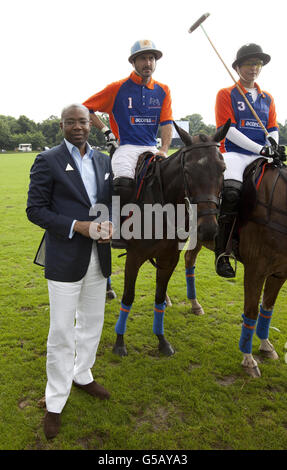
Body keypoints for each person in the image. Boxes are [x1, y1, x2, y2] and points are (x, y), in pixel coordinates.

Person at [26, 104, 113, 440]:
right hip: (64, 256)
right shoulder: (47, 160)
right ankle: (55, 400)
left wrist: (109, 224)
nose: (79, 127)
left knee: (92, 322)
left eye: (83, 121)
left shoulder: (103, 160)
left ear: (91, 124)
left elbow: (108, 204)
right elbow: (35, 210)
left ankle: (83, 374)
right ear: (61, 125)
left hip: (99, 257)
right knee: (62, 330)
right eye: (71, 122)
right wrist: (79, 226)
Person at [83, 39, 174, 246]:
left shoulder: (163, 90)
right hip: (126, 146)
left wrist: (164, 150)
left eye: (151, 58)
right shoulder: (118, 88)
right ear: (133, 62)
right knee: (123, 182)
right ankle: (120, 229)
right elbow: (86, 108)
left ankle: (168, 226)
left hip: (152, 145)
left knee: (173, 179)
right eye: (142, 58)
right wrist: (107, 132)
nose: (148, 63)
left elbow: (167, 122)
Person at [214, 43, 285, 278]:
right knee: (232, 192)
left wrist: (273, 145)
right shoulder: (227, 94)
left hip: (262, 152)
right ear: (237, 68)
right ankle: (222, 252)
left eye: (257, 64)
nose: (253, 68)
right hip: (235, 153)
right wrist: (260, 148)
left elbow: (272, 127)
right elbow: (229, 130)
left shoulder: (267, 98)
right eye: (248, 63)